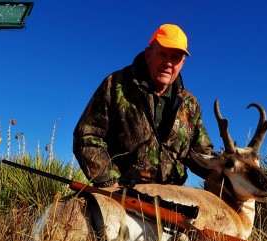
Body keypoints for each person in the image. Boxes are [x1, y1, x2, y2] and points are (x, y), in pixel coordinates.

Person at [73, 24, 214, 188]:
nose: (168, 63)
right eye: (163, 54)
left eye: (175, 58)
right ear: (148, 55)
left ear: (182, 63)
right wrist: (111, 183)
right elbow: (87, 135)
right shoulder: (115, 85)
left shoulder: (190, 104)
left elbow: (202, 156)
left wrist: (234, 164)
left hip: (171, 200)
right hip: (122, 193)